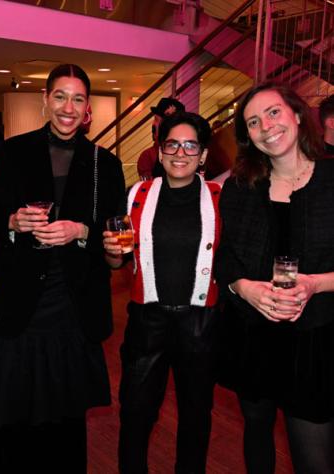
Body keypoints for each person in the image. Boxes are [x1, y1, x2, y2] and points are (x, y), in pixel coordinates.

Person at [0, 63, 125, 472]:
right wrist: (13, 222)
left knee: (66, 421)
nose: (68, 107)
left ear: (87, 110)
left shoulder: (105, 164)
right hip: (20, 306)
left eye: (78, 98)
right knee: (13, 417)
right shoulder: (13, 151)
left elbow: (117, 230)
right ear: (45, 101)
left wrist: (81, 230)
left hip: (73, 308)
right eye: (60, 96)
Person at [216, 82, 334, 473]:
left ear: (297, 115)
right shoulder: (239, 188)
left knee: (314, 458)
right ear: (247, 137)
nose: (266, 126)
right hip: (254, 335)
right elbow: (226, 259)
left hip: (317, 340)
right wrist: (245, 289)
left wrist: (315, 283)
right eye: (253, 122)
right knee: (257, 433)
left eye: (273, 112)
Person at [104, 112, 222, 473]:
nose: (180, 152)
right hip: (147, 320)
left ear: (203, 155)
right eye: (172, 143)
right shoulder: (137, 195)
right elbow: (116, 264)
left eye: (191, 145)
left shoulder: (222, 198)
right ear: (159, 150)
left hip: (200, 323)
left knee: (196, 416)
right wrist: (111, 252)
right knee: (136, 413)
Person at [137, 97, 185, 179]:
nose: (153, 124)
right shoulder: (148, 156)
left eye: (156, 120)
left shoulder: (188, 152)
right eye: (155, 119)